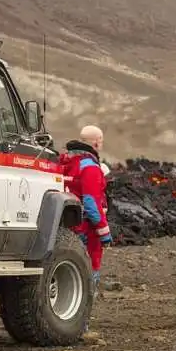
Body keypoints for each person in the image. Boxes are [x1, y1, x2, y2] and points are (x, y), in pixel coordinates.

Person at [60, 125, 112, 297]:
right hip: (85, 230)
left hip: (65, 227)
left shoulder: (63, 163)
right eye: (101, 140)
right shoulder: (90, 167)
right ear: (96, 143)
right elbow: (91, 203)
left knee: (69, 272)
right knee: (88, 271)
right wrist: (104, 233)